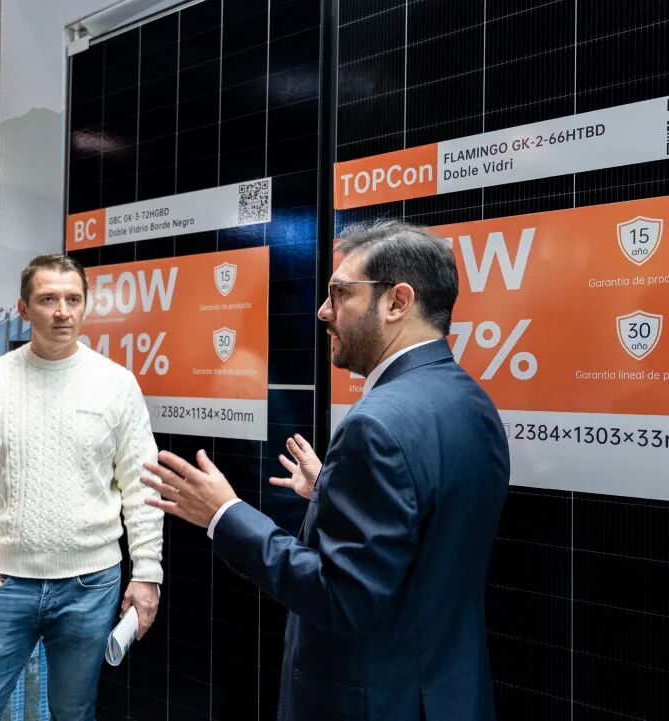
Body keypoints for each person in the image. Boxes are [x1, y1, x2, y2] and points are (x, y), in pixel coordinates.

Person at [141, 220, 510, 721]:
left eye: (340, 293)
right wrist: (331, 490)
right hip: (447, 695)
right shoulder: (473, 402)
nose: (322, 311)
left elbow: (340, 597)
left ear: (397, 302)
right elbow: (422, 535)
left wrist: (223, 514)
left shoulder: (374, 425)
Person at [0, 254, 164, 721]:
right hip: (3, 581)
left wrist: (147, 572)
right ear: (24, 309)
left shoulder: (116, 384)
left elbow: (141, 485)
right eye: (47, 300)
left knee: (73, 713)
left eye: (72, 299)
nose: (62, 311)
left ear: (85, 306)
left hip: (91, 584)